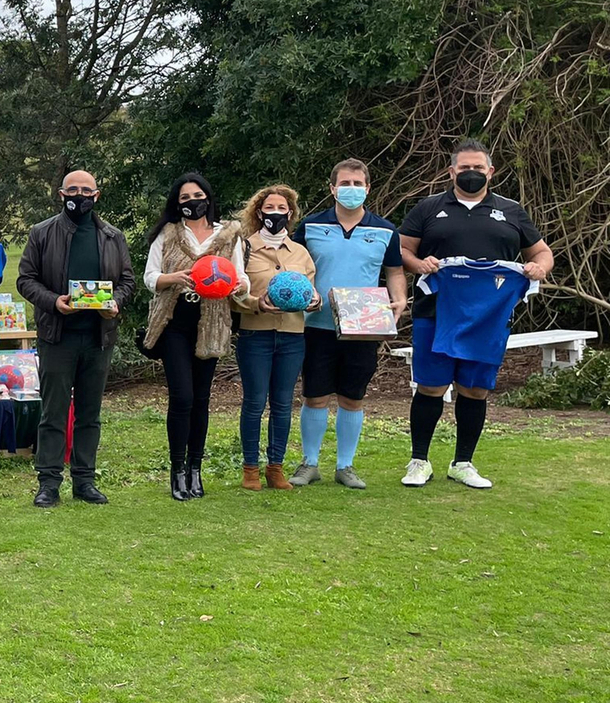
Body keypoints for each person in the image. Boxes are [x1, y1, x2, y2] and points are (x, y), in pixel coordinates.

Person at [398, 139, 552, 489]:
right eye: (463, 168)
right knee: (431, 386)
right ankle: (419, 460)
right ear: (451, 171)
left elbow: (542, 252)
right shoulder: (428, 208)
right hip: (435, 313)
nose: (471, 174)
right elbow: (403, 248)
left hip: (488, 318)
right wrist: (420, 263)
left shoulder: (511, 211)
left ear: (490, 172)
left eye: (477, 168)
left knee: (475, 390)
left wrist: (537, 268)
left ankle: (463, 462)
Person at [15, 169, 135, 508]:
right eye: (73, 190)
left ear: (96, 196)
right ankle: (48, 484)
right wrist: (53, 302)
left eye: (86, 190)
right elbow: (25, 280)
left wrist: (115, 305)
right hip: (57, 336)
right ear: (60, 194)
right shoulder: (42, 233)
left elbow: (127, 282)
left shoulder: (113, 237)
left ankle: (85, 481)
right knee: (53, 413)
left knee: (89, 414)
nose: (79, 195)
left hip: (99, 337)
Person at [290, 158, 407, 489]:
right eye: (345, 184)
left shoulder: (385, 230)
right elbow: (295, 268)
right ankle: (310, 463)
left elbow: (395, 272)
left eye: (358, 184)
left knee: (352, 397)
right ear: (332, 188)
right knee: (314, 395)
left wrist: (398, 301)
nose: (351, 190)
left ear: (368, 189)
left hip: (363, 326)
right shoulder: (311, 227)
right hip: (316, 325)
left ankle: (346, 466)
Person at [140, 173, 243, 500]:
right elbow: (149, 276)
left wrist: (236, 285)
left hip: (211, 322)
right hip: (174, 323)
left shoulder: (228, 235)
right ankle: (177, 470)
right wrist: (174, 277)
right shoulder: (168, 234)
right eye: (184, 198)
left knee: (201, 400)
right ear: (176, 203)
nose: (191, 202)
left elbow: (241, 278)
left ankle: (196, 470)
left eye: (197, 195)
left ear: (208, 198)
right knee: (182, 397)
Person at [230, 184, 319, 491]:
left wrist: (315, 301)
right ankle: (250, 469)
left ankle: (276, 468)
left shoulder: (301, 253)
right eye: (270, 208)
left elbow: (310, 290)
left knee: (282, 404)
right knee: (254, 402)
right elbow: (231, 295)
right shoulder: (243, 248)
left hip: (293, 335)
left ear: (290, 214)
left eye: (283, 209)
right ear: (259, 212)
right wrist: (256, 303)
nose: (276, 214)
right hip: (255, 334)